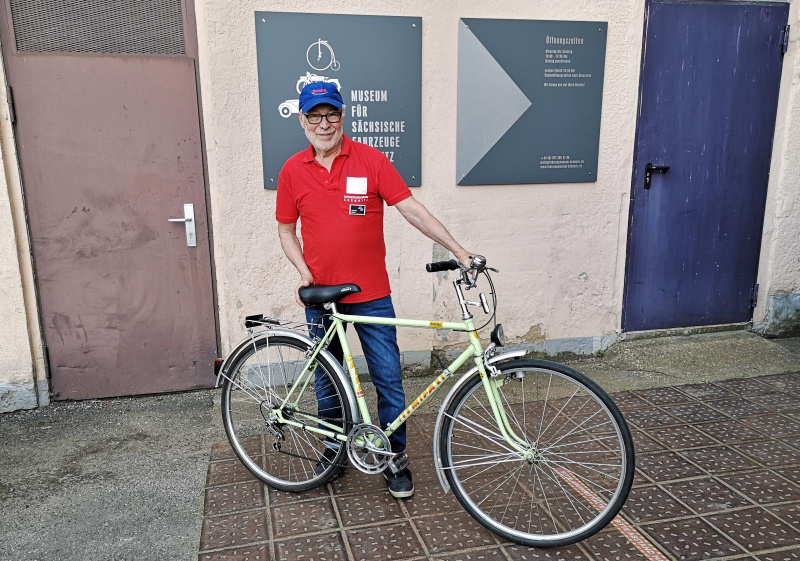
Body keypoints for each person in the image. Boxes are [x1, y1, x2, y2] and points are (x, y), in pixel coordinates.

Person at [276, 82, 474, 498]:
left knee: (388, 378)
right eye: (315, 116)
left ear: (342, 116)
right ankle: (334, 451)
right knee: (327, 380)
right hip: (322, 296)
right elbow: (286, 229)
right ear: (302, 121)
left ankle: (393, 457)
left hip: (372, 294)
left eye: (331, 114)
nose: (324, 124)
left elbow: (411, 209)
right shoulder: (292, 170)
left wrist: (458, 249)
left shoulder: (371, 160)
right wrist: (303, 271)